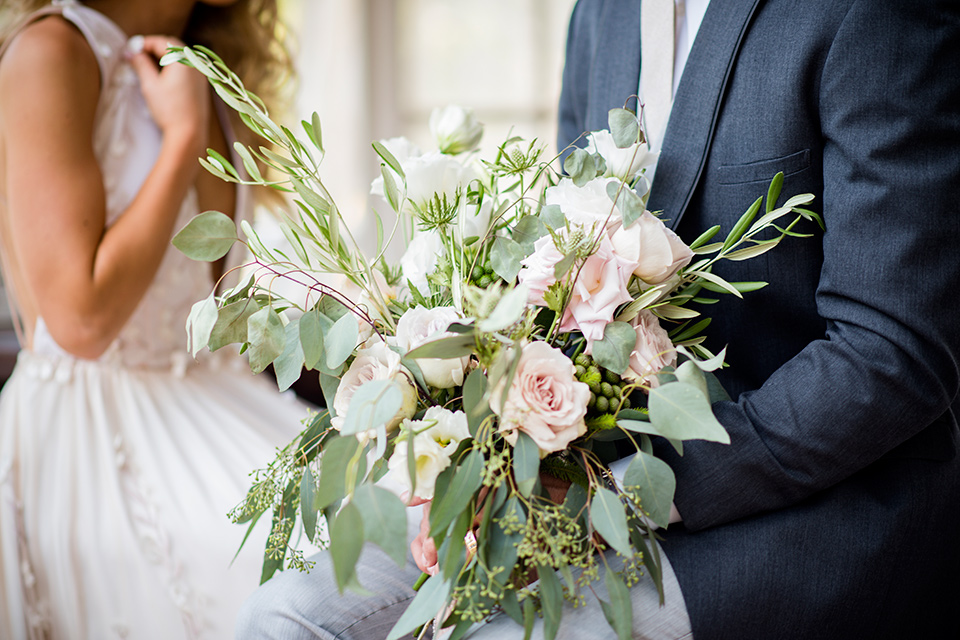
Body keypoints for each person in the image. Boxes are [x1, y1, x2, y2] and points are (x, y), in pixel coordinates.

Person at [236, 0, 960, 638]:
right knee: (285, 615)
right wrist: (484, 448)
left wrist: (622, 494)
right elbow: (556, 266)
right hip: (580, 465)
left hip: (813, 509)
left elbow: (891, 354)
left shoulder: (875, 13)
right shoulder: (602, 11)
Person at [0, 1, 311, 638]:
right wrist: (181, 144)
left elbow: (213, 305)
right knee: (306, 564)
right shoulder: (51, 53)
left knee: (402, 509)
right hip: (94, 428)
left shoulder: (206, 69)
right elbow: (81, 323)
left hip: (224, 401)